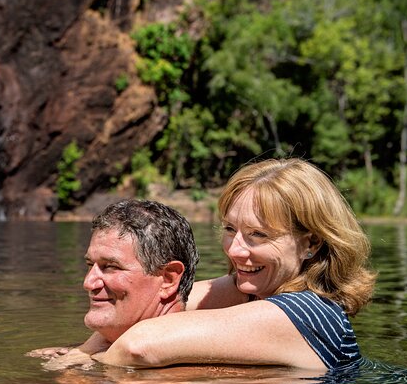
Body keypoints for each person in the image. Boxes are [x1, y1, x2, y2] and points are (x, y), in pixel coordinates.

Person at [90, 157, 376, 370]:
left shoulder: (310, 313)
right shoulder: (256, 289)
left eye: (258, 235)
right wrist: (84, 348)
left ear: (311, 243)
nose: (235, 250)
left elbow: (140, 344)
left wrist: (81, 369)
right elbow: (149, 307)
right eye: (229, 229)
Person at [28, 198, 199, 369]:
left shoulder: (180, 374)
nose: (88, 283)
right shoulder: (90, 352)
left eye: (110, 266)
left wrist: (76, 379)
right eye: (90, 265)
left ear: (168, 279)